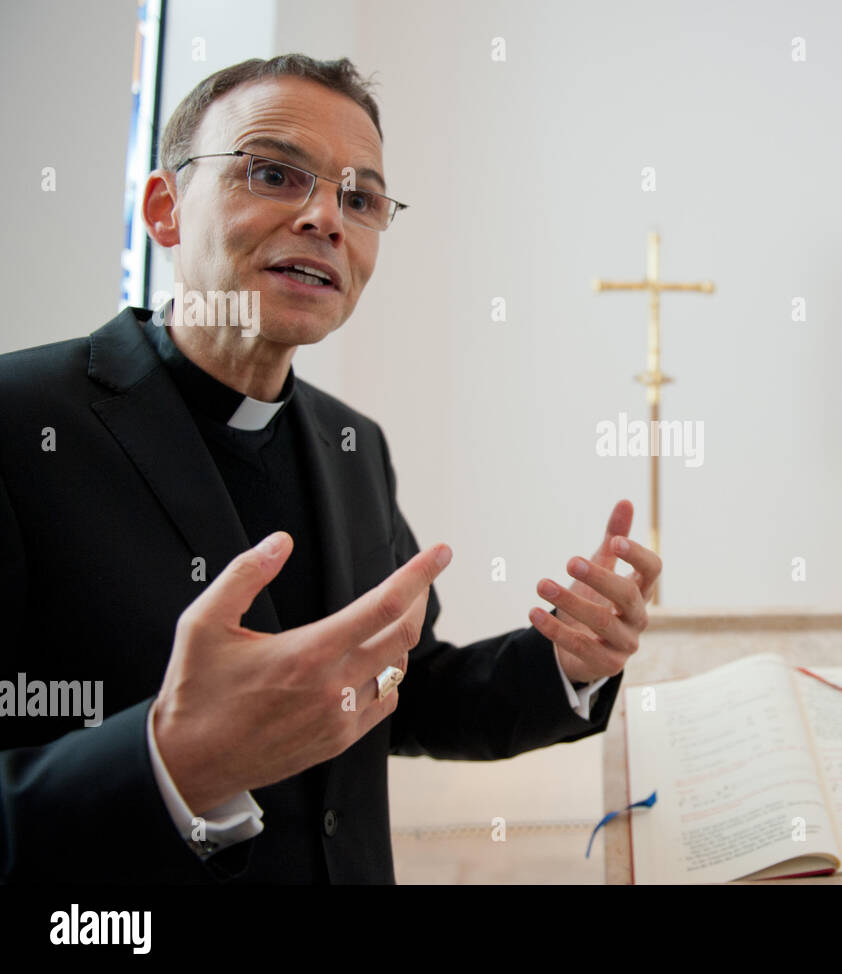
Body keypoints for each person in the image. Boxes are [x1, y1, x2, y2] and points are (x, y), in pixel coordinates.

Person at [0, 54, 660, 884]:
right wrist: (171, 760)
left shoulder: (353, 445)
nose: (325, 219)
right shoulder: (19, 421)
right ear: (165, 211)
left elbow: (401, 687)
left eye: (360, 198)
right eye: (275, 174)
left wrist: (569, 663)